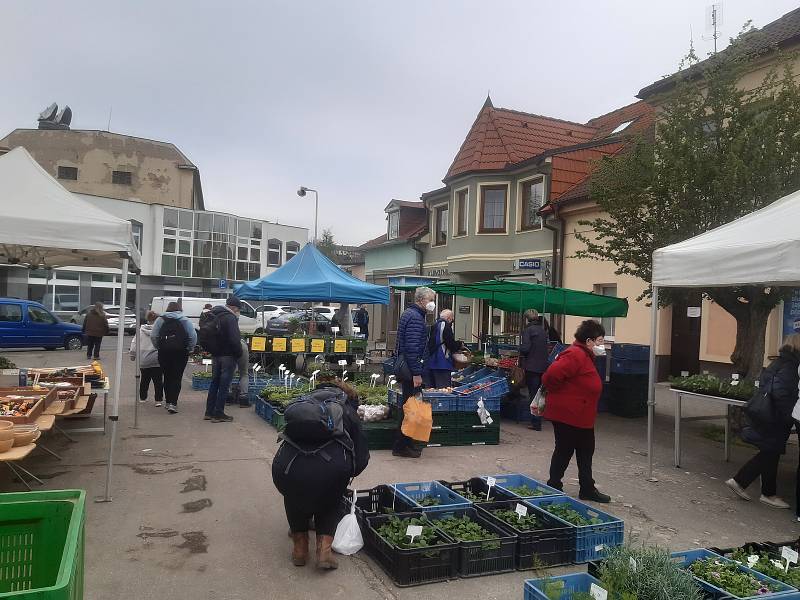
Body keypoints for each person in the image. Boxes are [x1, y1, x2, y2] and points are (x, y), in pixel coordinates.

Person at [272, 379, 369, 570]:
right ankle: (324, 551)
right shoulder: (347, 410)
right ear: (348, 394)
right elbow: (362, 455)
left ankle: (300, 550)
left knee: (293, 497)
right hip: (330, 470)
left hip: (286, 468)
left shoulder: (302, 404)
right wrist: (348, 473)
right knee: (330, 500)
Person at [725, 335, 800, 509]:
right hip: (777, 415)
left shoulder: (778, 361)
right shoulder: (792, 365)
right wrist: (788, 414)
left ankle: (767, 493)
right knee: (770, 451)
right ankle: (740, 480)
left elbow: (767, 384)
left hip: (768, 412)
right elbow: (781, 392)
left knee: (771, 450)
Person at [541, 319, 610, 503]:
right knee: (564, 450)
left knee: (586, 451)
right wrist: (564, 395)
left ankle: (587, 488)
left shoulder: (585, 355)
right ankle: (553, 485)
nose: (601, 345)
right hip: (568, 415)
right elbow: (550, 377)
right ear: (589, 341)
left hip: (582, 415)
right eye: (600, 341)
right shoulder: (574, 354)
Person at [392, 286, 436, 458]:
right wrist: (417, 373)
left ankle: (404, 444)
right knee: (411, 408)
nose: (432, 303)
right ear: (421, 300)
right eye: (430, 300)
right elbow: (412, 348)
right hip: (412, 371)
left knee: (409, 406)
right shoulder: (416, 318)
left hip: (408, 369)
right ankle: (403, 445)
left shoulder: (408, 314)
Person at [151, 301, 197, 414]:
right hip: (180, 352)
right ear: (179, 309)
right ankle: (173, 403)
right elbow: (193, 336)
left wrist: (159, 347)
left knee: (167, 376)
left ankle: (167, 401)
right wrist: (189, 348)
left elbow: (153, 336)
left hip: (164, 352)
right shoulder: (185, 320)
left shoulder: (160, 320)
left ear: (167, 309)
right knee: (177, 377)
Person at [203, 297, 243, 423]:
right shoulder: (230, 318)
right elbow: (234, 339)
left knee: (214, 382)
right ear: (234, 307)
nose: (238, 312)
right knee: (224, 385)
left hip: (216, 355)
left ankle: (209, 412)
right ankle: (218, 413)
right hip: (228, 355)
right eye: (238, 309)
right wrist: (238, 353)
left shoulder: (214, 314)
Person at [520, 309, 549, 431]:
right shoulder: (542, 330)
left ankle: (535, 423)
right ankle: (539, 420)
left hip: (531, 366)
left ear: (527, 318)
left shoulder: (528, 330)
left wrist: (520, 348)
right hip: (543, 366)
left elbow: (526, 348)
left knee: (533, 395)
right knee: (540, 394)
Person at [130, 310, 163, 407]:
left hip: (143, 359)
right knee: (158, 381)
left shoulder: (140, 331)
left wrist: (133, 355)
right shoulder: (159, 330)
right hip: (156, 359)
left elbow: (134, 344)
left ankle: (143, 398)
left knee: (144, 379)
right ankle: (158, 400)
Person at [423, 309, 463, 389]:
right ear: (449, 318)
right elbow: (450, 344)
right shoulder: (445, 326)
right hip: (442, 363)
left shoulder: (432, 325)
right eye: (452, 320)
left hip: (430, 363)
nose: (452, 322)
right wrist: (459, 344)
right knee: (443, 391)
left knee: (431, 391)